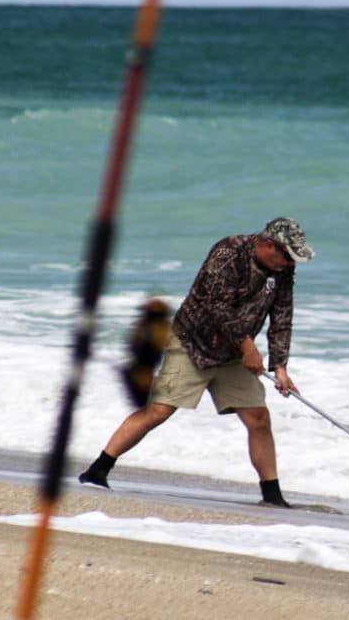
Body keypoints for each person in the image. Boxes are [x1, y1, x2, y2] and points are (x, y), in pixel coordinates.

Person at [78, 217, 315, 507]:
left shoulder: (282, 270)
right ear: (268, 244)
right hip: (192, 344)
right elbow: (217, 305)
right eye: (288, 256)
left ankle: (272, 495)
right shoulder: (228, 252)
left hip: (234, 355)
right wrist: (248, 348)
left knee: (259, 419)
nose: (290, 264)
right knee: (160, 409)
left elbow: (282, 315)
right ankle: (97, 470)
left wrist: (280, 366)